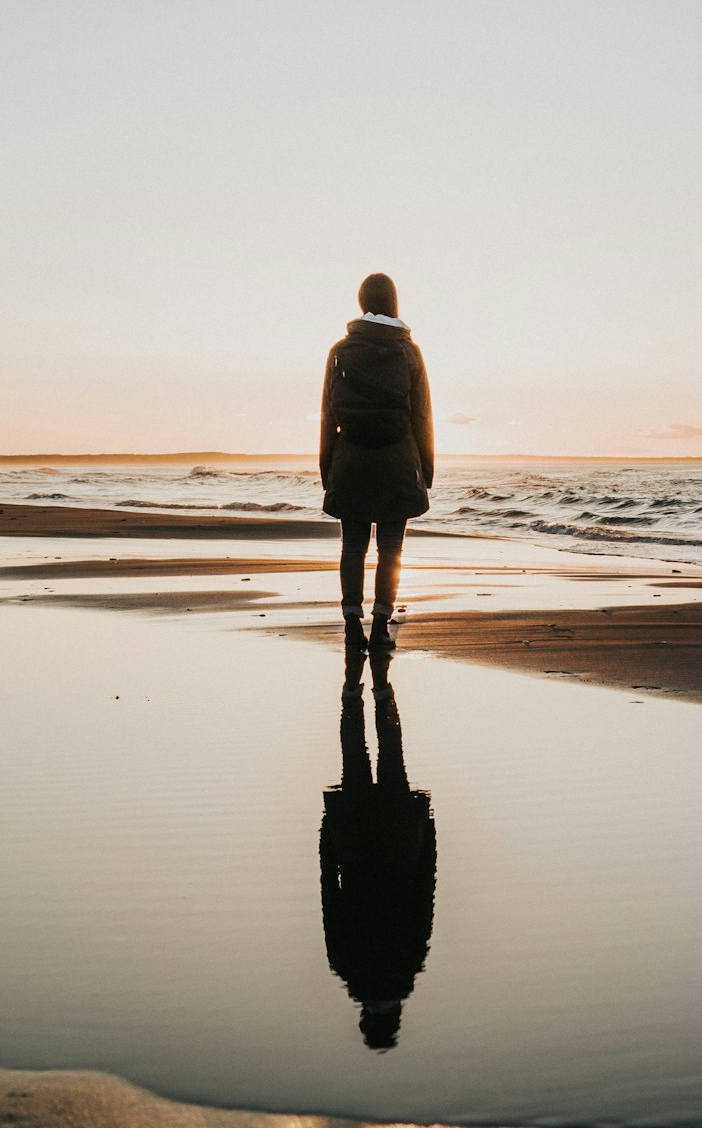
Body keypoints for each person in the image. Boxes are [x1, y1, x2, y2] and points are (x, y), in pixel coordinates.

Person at [319, 648, 437, 1051]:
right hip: (352, 839)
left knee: (391, 756)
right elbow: (329, 894)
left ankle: (383, 693)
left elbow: (424, 892)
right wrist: (327, 835)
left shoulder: (409, 963)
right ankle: (354, 695)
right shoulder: (345, 965)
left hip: (399, 839)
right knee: (354, 757)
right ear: (366, 1017)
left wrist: (429, 832)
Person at [319, 273, 434, 651]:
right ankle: (381, 625)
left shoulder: (339, 350)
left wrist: (327, 467)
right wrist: (426, 470)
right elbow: (422, 417)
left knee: (353, 547)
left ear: (361, 303)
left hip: (350, 460)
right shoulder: (409, 351)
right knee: (391, 548)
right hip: (397, 462)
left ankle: (352, 625)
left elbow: (327, 415)